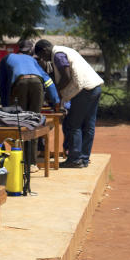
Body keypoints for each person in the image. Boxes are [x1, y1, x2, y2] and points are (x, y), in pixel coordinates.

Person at [34, 39, 103, 168]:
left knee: (73, 124)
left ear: (45, 50)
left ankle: (75, 159)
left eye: (42, 56)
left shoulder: (58, 55)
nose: (44, 59)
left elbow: (65, 77)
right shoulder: (65, 51)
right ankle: (84, 159)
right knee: (88, 125)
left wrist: (57, 91)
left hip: (83, 90)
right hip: (94, 87)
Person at [0, 39, 61, 169]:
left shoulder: (7, 58)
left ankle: (19, 161)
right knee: (33, 122)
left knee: (18, 123)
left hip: (19, 83)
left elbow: (3, 84)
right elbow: (47, 80)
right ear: (31, 50)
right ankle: (31, 163)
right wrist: (56, 101)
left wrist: (6, 107)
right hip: (37, 84)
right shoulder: (33, 60)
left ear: (18, 48)